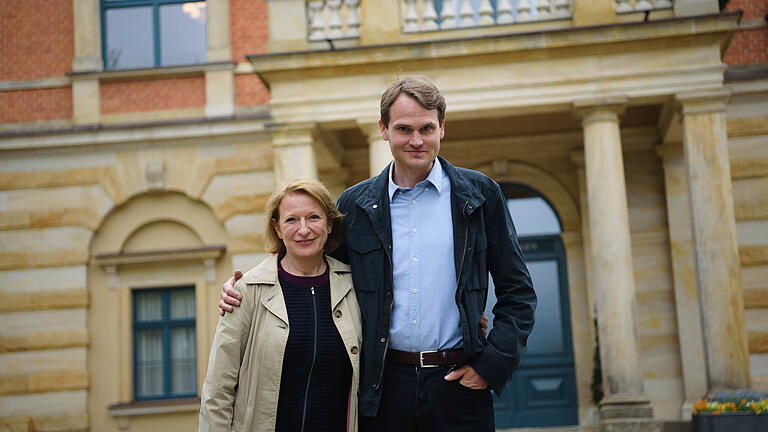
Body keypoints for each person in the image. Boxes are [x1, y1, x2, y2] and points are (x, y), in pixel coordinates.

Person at [219, 75, 536, 431]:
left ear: (442, 128)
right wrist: (249, 287)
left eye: (426, 129)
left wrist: (492, 365)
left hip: (459, 384)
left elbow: (519, 292)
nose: (416, 141)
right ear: (383, 130)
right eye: (403, 129)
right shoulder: (354, 206)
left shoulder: (480, 196)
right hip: (382, 389)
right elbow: (317, 272)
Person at [200, 177, 362, 432]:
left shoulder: (356, 287)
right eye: (291, 220)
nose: (304, 229)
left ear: (330, 224)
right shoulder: (247, 292)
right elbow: (218, 391)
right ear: (277, 228)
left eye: (314, 218)